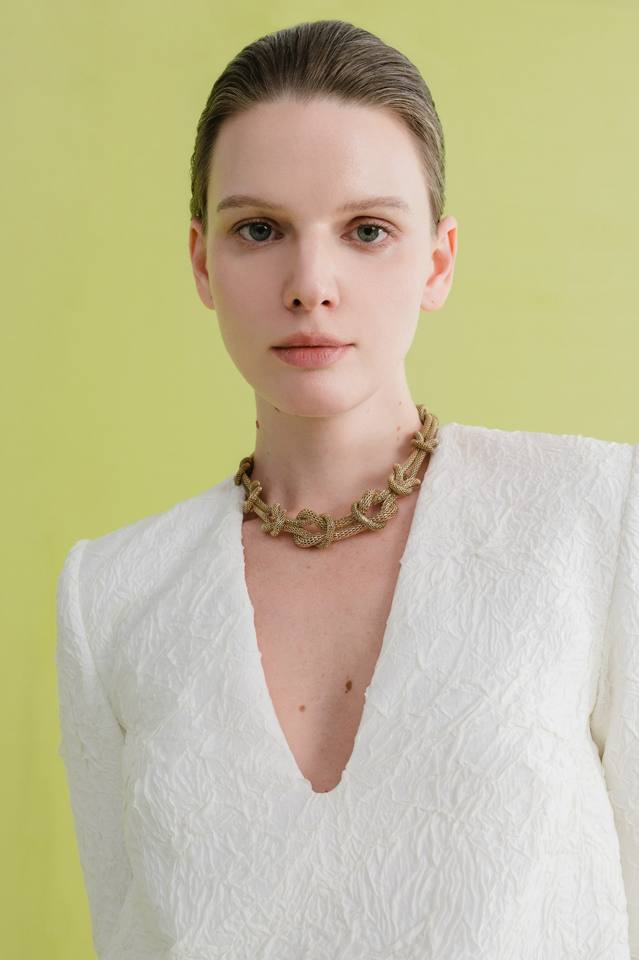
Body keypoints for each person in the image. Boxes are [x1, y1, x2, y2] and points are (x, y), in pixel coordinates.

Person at [55, 18, 638, 960]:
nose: (309, 284)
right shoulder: (111, 596)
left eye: (367, 230)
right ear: (202, 261)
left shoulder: (597, 517)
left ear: (437, 260)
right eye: (258, 230)